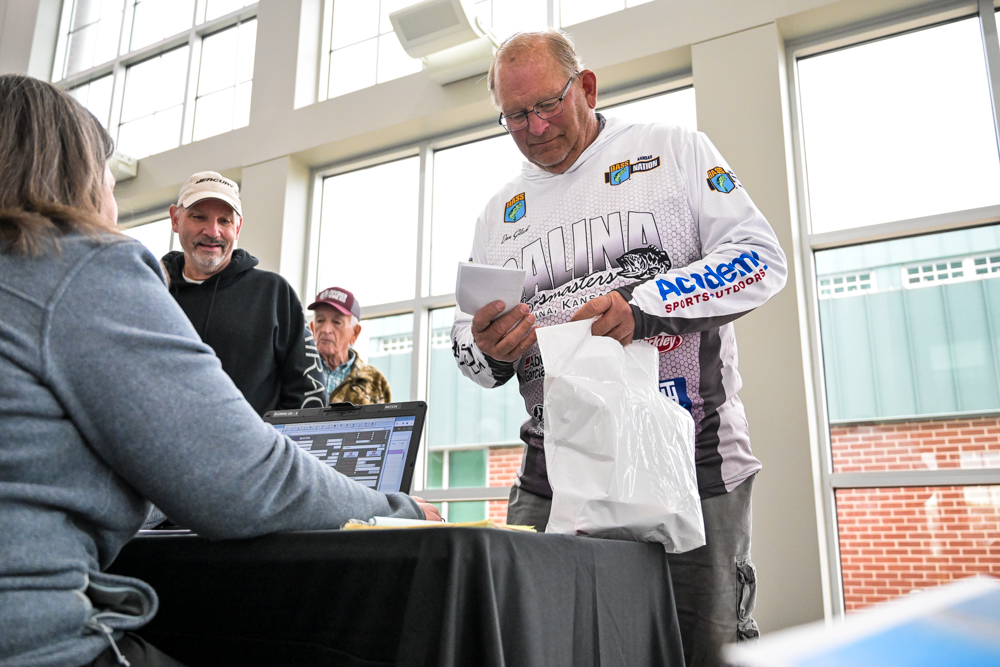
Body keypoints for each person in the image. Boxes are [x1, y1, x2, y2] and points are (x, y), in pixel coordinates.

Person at [0, 74, 440, 667]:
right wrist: (395, 510)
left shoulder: (270, 294)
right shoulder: (83, 267)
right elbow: (241, 477)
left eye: (224, 219)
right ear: (80, 178)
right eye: (109, 179)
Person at [449, 31, 787, 666]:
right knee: (536, 649)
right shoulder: (499, 213)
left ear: (587, 87)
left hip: (692, 463)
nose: (535, 127)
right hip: (553, 477)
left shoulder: (673, 150)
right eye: (515, 115)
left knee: (703, 650)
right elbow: (467, 347)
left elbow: (759, 259)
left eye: (547, 104)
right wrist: (489, 348)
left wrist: (644, 307)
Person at [161, 171, 313, 416]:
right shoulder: (155, 293)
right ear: (175, 219)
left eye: (224, 221)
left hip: (254, 441)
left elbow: (308, 393)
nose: (213, 231)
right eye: (199, 217)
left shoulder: (273, 294)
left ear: (238, 226)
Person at [307, 286, 392, 406]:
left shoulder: (376, 381)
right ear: (312, 328)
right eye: (320, 320)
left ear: (355, 332)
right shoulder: (296, 370)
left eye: (337, 322)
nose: (326, 330)